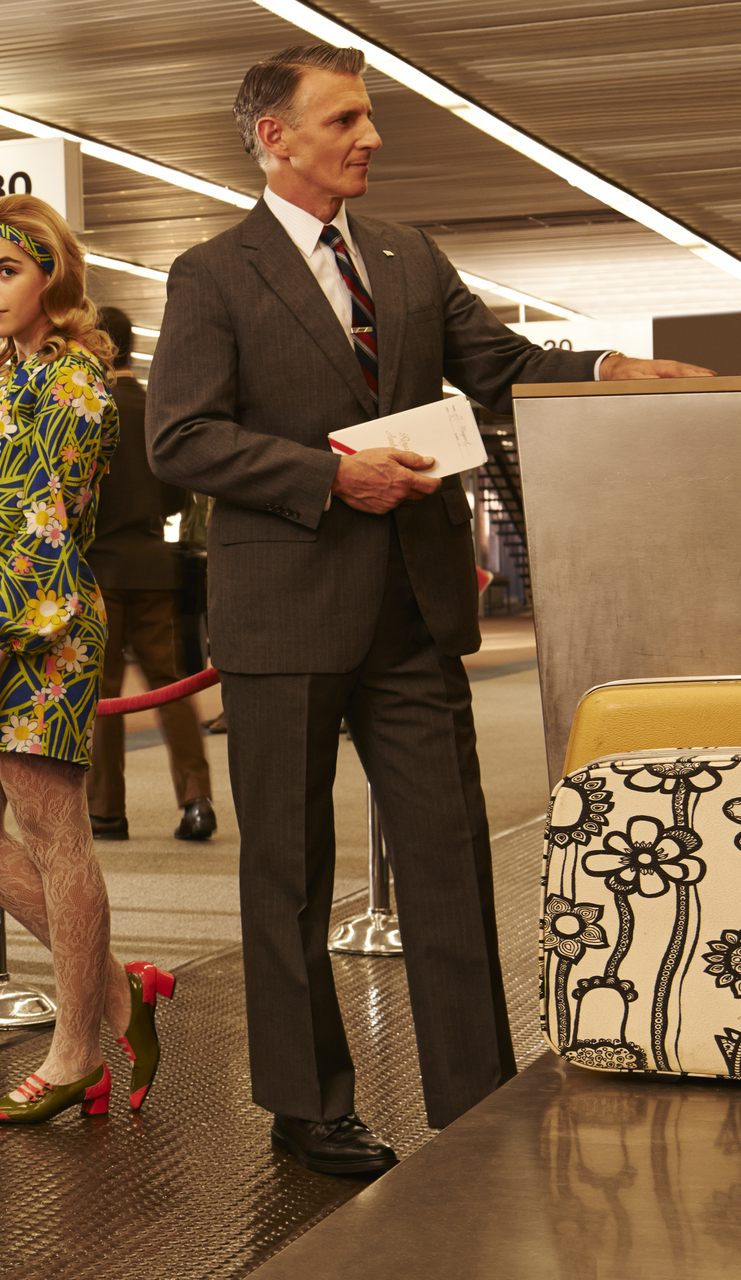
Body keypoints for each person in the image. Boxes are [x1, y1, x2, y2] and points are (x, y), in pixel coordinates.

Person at [146, 43, 715, 1176]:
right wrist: (324, 474)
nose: (368, 137)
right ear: (275, 138)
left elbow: (494, 361)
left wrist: (606, 369)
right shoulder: (211, 274)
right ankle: (306, 1107)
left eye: (367, 117)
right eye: (346, 118)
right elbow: (181, 437)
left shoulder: (406, 257)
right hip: (283, 612)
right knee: (288, 872)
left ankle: (474, 1102)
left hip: (408, 610)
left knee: (449, 857)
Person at [0, 195, 178, 1124]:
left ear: (51, 275)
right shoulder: (8, 378)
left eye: (5, 270)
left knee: (58, 842)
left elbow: (48, 530)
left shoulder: (72, 382)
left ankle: (77, 1052)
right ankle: (119, 995)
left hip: (37, 640)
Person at [84, 306, 215, 843]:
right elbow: (176, 491)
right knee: (171, 687)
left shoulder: (85, 408)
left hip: (97, 570)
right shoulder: (157, 406)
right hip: (153, 566)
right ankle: (196, 801)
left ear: (96, 344)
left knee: (102, 694)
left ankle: (107, 810)